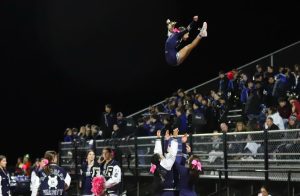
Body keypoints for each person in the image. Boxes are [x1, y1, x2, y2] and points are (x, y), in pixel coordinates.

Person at [150, 129, 179, 196]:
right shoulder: (166, 165)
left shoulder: (153, 164)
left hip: (156, 191)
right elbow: (173, 154)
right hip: (167, 192)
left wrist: (159, 138)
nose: (161, 154)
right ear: (160, 159)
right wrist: (174, 138)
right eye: (160, 155)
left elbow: (157, 152)